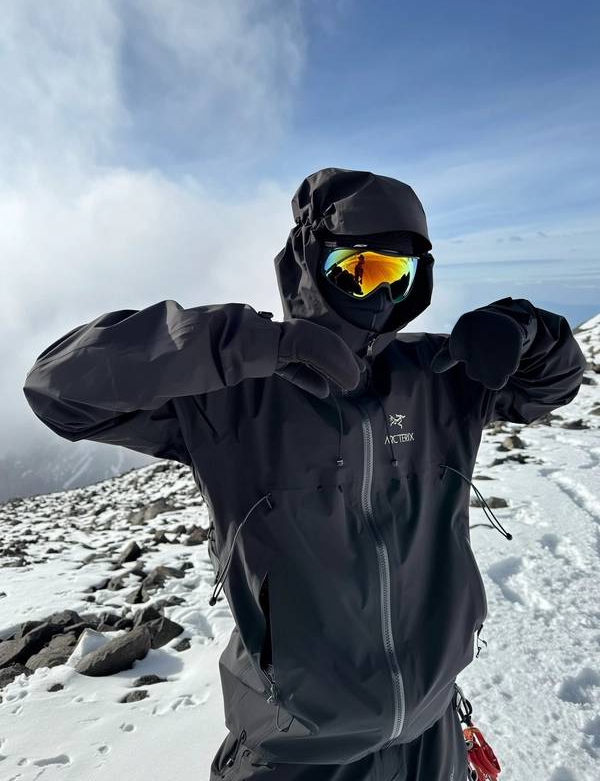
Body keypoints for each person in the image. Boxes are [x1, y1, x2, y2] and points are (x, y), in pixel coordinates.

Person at [23, 168, 587, 780]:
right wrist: (249, 346)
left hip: (431, 732)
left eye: (395, 273)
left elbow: (553, 384)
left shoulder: (441, 374)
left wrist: (524, 328)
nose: (378, 291)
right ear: (309, 262)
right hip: (295, 752)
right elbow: (59, 390)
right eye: (357, 266)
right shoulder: (231, 392)